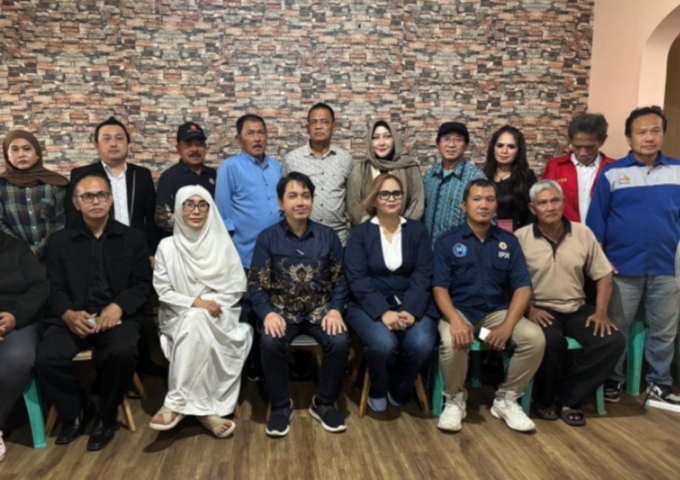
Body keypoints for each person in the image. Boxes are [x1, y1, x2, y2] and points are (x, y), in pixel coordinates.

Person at [35, 172, 152, 451]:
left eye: (102, 195)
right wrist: (67, 314)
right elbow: (53, 287)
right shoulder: (58, 242)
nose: (96, 201)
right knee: (46, 358)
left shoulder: (133, 238)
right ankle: (78, 409)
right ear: (76, 203)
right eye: (88, 196)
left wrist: (118, 306)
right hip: (73, 317)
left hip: (117, 317)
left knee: (122, 352)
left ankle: (106, 416)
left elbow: (143, 284)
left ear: (110, 200)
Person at [434, 178, 544, 433]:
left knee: (534, 338)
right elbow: (439, 288)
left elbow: (522, 287)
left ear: (496, 206)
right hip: (459, 311)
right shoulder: (447, 241)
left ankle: (506, 399)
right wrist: (456, 321)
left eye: (489, 200)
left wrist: (507, 326)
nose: (483, 205)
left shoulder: (509, 241)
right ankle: (454, 400)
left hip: (495, 315)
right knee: (452, 340)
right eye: (476, 199)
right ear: (464, 205)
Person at [587, 106, 680, 405]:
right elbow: (596, 226)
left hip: (668, 268)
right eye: (641, 132)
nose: (649, 137)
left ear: (663, 135)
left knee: (664, 330)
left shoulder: (677, 171)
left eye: (655, 131)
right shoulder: (612, 174)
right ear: (629, 138)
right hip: (622, 268)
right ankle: (613, 378)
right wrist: (602, 266)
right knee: (616, 328)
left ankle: (659, 383)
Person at [516, 180, 624, 426]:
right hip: (540, 309)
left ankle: (568, 397)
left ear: (563, 203)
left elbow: (604, 275)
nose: (550, 207)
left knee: (612, 341)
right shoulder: (521, 237)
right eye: (543, 203)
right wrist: (529, 309)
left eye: (555, 201)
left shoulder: (582, 233)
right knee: (550, 341)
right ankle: (544, 400)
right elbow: (509, 282)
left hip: (576, 308)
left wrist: (601, 312)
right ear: (533, 208)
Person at [248, 172, 349, 437]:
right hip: (281, 312)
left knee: (340, 341)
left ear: (312, 201)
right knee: (270, 342)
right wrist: (267, 314)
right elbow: (255, 284)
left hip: (321, 311)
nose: (300, 202)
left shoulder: (328, 236)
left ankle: (323, 402)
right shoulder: (268, 238)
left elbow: (340, 279)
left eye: (306, 196)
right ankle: (282, 406)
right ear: (281, 203)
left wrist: (336, 309)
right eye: (292, 196)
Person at [150, 186, 252, 438]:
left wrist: (207, 303)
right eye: (189, 204)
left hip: (221, 313)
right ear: (179, 209)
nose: (196, 210)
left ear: (209, 209)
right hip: (177, 314)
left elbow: (235, 289)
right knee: (195, 320)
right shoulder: (167, 246)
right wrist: (196, 302)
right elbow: (163, 291)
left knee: (198, 322)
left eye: (202, 204)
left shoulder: (222, 243)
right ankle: (206, 413)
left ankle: (176, 403)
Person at [344, 173, 438, 412]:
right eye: (384, 194)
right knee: (383, 344)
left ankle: (400, 387)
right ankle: (378, 387)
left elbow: (423, 274)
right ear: (375, 199)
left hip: (412, 301)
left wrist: (412, 309)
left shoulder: (417, 231)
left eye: (396, 193)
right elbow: (357, 278)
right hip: (368, 304)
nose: (392, 198)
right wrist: (383, 312)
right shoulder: (360, 233)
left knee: (422, 344)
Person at [215, 114, 282, 381]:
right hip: (244, 254)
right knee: (247, 311)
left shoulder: (276, 166)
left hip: (275, 255)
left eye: (261, 133)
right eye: (251, 133)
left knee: (271, 308)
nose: (257, 138)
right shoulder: (229, 168)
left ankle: (268, 363)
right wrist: (229, 254)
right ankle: (248, 365)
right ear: (239, 139)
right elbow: (223, 217)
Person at [66, 116, 159, 255]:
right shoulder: (82, 175)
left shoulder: (142, 174)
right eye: (107, 139)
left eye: (119, 138)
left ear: (128, 143)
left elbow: (151, 217)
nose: (113, 144)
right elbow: (73, 217)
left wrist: (151, 251)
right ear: (96, 145)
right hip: (95, 250)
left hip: (136, 249)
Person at [0, 232, 50, 463]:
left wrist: (15, 316)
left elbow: (40, 286)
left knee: (18, 358)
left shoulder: (16, 248)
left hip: (15, 321)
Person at [283, 103, 353, 245]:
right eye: (314, 122)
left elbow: (350, 199)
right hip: (302, 238)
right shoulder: (291, 159)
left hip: (338, 238)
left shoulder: (345, 159)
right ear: (307, 128)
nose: (318, 127)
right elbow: (285, 198)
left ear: (334, 127)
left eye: (324, 122)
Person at [0, 130, 68, 258]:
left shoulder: (56, 183)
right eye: (14, 150)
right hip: (12, 259)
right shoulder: (2, 185)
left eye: (27, 149)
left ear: (37, 153)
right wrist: (21, 251)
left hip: (53, 257)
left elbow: (61, 222)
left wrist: (39, 250)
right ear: (7, 155)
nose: (21, 154)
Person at [347, 120, 424, 225]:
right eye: (375, 137)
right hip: (368, 232)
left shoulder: (409, 167)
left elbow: (417, 202)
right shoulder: (361, 169)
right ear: (370, 142)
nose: (381, 143)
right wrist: (371, 228)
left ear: (394, 140)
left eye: (387, 137)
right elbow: (353, 204)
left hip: (405, 230)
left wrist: (402, 227)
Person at [542, 113, 615, 223]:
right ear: (570, 140)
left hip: (603, 232)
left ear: (602, 141)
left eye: (589, 147)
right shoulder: (555, 166)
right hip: (564, 231)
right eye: (577, 146)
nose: (582, 153)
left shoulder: (614, 169)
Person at [423, 121, 486, 245]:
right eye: (446, 139)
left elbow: (486, 219)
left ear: (466, 145)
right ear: (438, 143)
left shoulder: (476, 178)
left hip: (461, 252)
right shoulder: (429, 176)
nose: (451, 145)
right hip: (428, 251)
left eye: (458, 140)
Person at [155, 122, 217, 234]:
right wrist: (191, 232)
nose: (195, 149)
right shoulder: (169, 177)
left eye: (199, 144)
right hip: (180, 240)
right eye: (188, 145)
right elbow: (162, 218)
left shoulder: (213, 175)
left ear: (205, 147)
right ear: (178, 148)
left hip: (211, 238)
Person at [483, 126, 537, 232]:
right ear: (493, 149)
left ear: (518, 152)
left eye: (511, 147)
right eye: (500, 145)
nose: (504, 151)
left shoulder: (526, 177)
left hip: (518, 235)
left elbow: (533, 214)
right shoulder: (482, 175)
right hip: (485, 235)